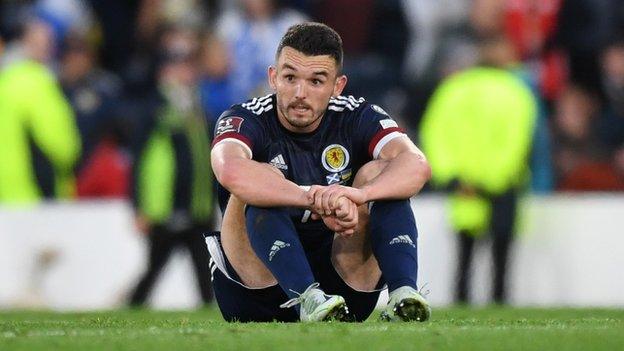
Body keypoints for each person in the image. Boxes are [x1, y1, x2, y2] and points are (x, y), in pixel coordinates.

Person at [208, 22, 432, 322]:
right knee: (258, 177)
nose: (300, 93)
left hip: (343, 283)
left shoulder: (357, 115)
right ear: (273, 77)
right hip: (256, 291)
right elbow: (230, 170)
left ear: (337, 87)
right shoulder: (246, 117)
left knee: (382, 175)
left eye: (316, 81)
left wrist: (359, 193)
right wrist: (313, 198)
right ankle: (306, 296)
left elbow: (417, 164)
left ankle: (404, 296)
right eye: (290, 77)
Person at [420, 35, 537, 304]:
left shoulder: (453, 89)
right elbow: (518, 138)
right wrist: (496, 176)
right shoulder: (516, 91)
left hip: (463, 184)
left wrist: (452, 176)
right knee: (502, 254)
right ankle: (499, 301)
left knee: (465, 255)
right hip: (501, 182)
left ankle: (461, 301)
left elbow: (435, 133)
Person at [128, 25, 214, 307]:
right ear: (166, 70)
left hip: (197, 204)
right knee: (157, 265)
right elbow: (139, 158)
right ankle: (133, 303)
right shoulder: (154, 107)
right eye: (180, 66)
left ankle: (211, 308)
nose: (187, 73)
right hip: (166, 207)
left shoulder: (197, 107)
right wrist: (139, 206)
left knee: (203, 266)